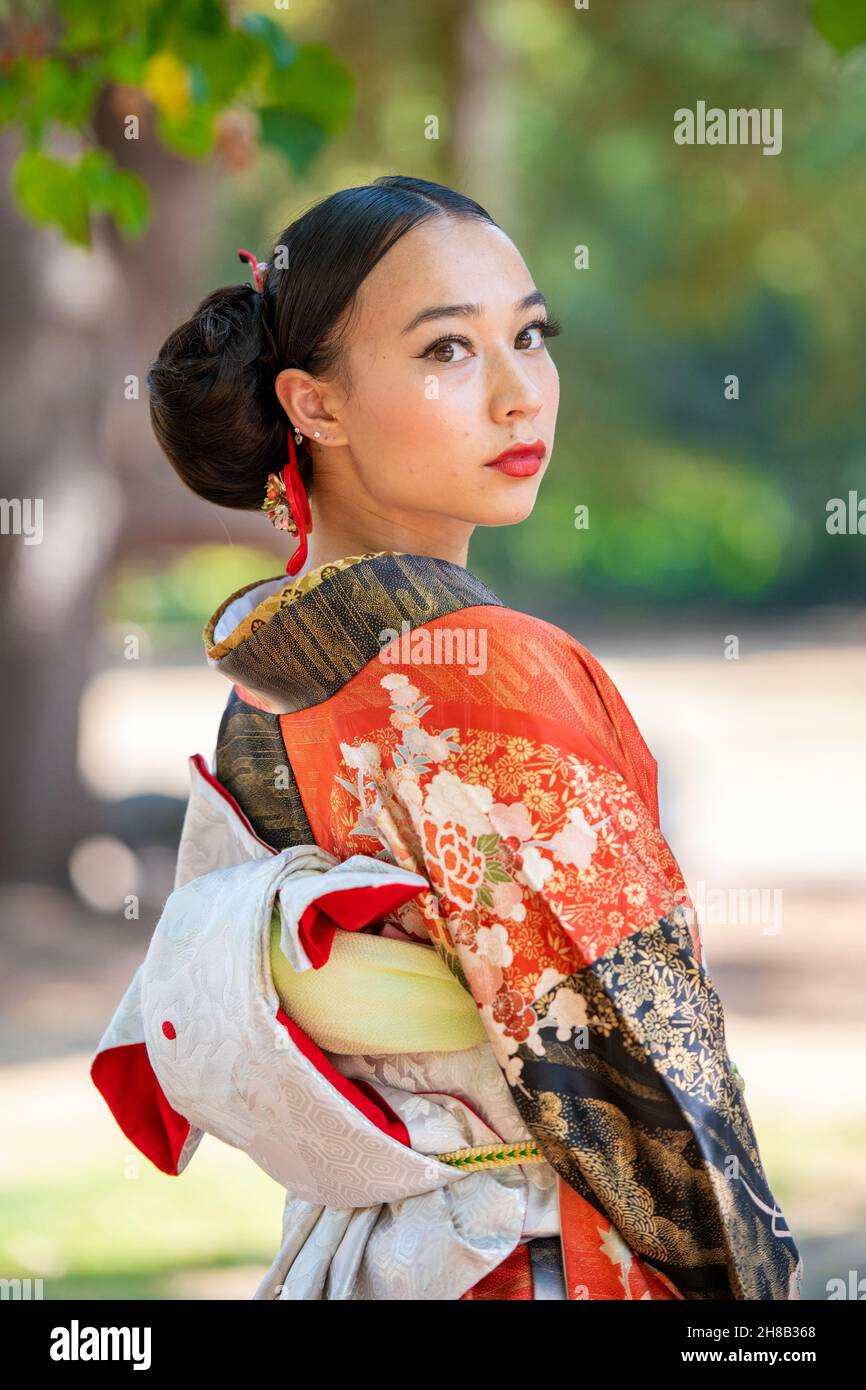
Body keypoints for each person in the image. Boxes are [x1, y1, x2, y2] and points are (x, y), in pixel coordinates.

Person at [93, 175, 802, 1301]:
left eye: (529, 333)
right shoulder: (481, 667)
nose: (521, 395)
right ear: (311, 405)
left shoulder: (267, 678)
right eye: (445, 352)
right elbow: (641, 1069)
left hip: (368, 1259)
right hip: (537, 1261)